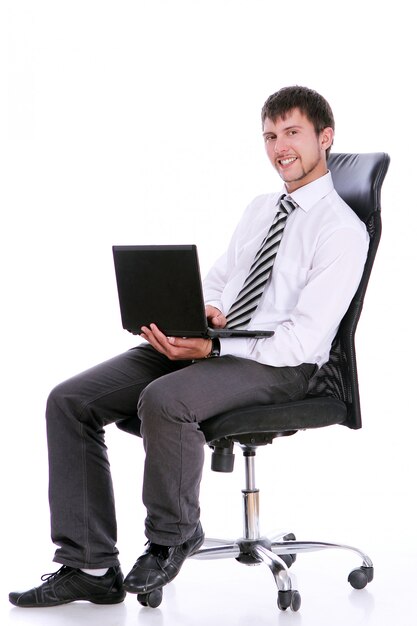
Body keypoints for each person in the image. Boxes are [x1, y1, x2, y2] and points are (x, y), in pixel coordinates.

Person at [9, 85, 369, 608]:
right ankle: (89, 565)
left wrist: (211, 353)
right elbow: (223, 278)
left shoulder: (341, 230)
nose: (279, 147)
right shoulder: (262, 207)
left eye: (292, 132)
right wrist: (203, 316)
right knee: (70, 401)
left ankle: (173, 537)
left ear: (325, 137)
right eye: (270, 135)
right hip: (221, 342)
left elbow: (303, 340)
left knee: (166, 400)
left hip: (284, 366)